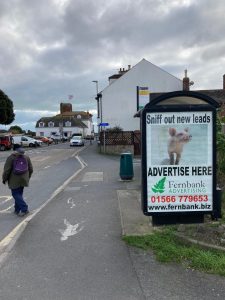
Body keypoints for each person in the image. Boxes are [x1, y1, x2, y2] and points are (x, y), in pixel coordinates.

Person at [2, 144, 33, 216]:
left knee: (15, 194)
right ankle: (17, 209)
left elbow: (7, 170)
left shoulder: (11, 157)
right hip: (24, 179)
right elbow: (31, 169)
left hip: (14, 180)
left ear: (14, 149)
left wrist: (4, 179)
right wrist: (28, 177)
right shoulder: (26, 157)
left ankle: (24, 209)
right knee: (19, 194)